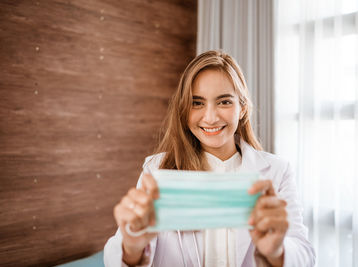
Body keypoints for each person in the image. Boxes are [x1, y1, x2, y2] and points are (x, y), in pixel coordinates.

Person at [104, 50, 315, 267]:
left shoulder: (277, 171)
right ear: (184, 109)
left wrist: (277, 251)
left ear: (242, 108)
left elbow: (305, 255)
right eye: (197, 103)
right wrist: (132, 248)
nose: (211, 117)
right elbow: (117, 256)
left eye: (224, 102)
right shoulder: (156, 169)